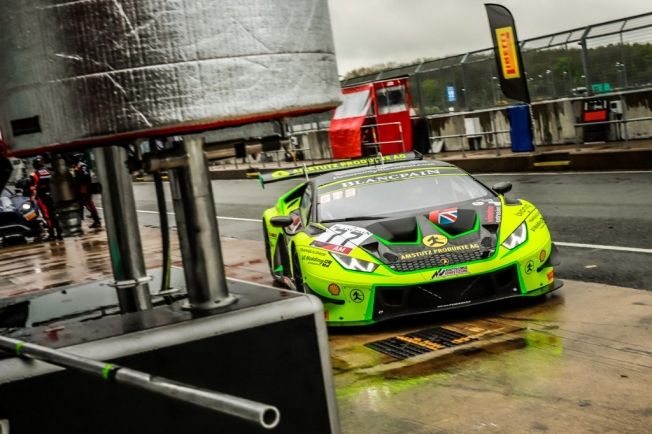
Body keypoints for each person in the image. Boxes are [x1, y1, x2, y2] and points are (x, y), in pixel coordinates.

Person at [30, 156, 63, 240]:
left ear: (35, 165)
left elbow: (34, 188)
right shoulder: (49, 171)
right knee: (54, 214)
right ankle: (59, 233)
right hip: (53, 196)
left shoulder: (34, 175)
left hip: (42, 197)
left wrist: (32, 198)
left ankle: (51, 234)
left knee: (47, 216)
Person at [71, 153, 101, 228]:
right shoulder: (77, 166)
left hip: (85, 188)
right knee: (84, 205)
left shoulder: (82, 166)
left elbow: (85, 177)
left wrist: (83, 189)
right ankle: (83, 221)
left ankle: (96, 221)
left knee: (88, 204)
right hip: (81, 188)